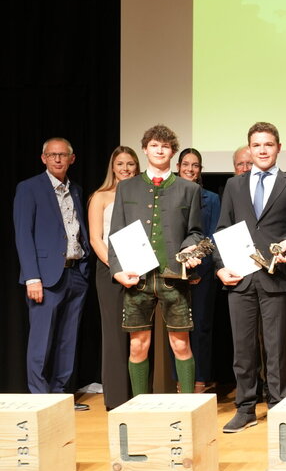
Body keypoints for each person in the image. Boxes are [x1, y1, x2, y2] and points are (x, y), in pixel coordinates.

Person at [214, 122, 286, 432]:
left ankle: (279, 404)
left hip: (275, 276)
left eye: (268, 144)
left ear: (278, 148)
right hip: (240, 277)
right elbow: (222, 229)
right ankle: (246, 407)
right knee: (243, 347)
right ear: (249, 149)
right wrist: (219, 266)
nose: (263, 150)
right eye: (257, 145)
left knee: (277, 346)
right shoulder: (233, 186)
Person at [109, 124, 204, 396]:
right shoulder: (127, 188)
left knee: (181, 344)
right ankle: (140, 405)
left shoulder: (189, 189)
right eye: (154, 145)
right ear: (145, 149)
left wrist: (189, 249)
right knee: (138, 345)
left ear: (172, 151)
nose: (159, 149)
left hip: (174, 277)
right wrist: (117, 271)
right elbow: (115, 233)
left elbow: (195, 232)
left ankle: (187, 405)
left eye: (164, 145)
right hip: (136, 278)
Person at [14, 137, 93, 409]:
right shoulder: (29, 189)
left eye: (63, 155)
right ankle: (39, 398)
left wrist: (84, 266)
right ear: (43, 158)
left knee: (67, 340)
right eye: (52, 155)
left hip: (75, 274)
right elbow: (24, 235)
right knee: (41, 340)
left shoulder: (77, 190)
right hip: (45, 278)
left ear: (72, 159)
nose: (57, 159)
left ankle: (60, 397)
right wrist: (32, 277)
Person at [87, 146, 139, 410]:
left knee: (140, 336)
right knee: (115, 335)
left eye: (130, 164)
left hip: (141, 270)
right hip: (110, 271)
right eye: (120, 164)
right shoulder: (101, 196)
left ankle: (141, 394)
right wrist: (117, 267)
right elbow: (96, 238)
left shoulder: (142, 195)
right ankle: (117, 399)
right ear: (112, 167)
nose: (126, 168)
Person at [176, 148, 221, 393]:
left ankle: (200, 379)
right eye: (186, 164)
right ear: (178, 166)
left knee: (201, 326)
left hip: (202, 273)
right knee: (177, 329)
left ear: (200, 170)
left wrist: (197, 271)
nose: (190, 169)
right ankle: (180, 380)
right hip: (172, 273)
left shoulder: (211, 199)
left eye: (195, 165)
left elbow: (213, 236)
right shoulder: (167, 195)